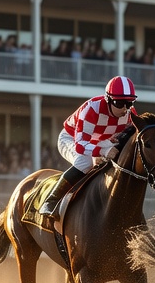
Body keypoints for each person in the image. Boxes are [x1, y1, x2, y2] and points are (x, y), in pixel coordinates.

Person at [39, 76, 137, 221]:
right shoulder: (92, 108)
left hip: (100, 141)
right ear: (108, 99)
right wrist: (104, 151)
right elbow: (80, 145)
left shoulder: (130, 113)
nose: (125, 108)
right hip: (72, 139)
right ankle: (51, 200)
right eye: (119, 103)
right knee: (85, 162)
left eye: (129, 103)